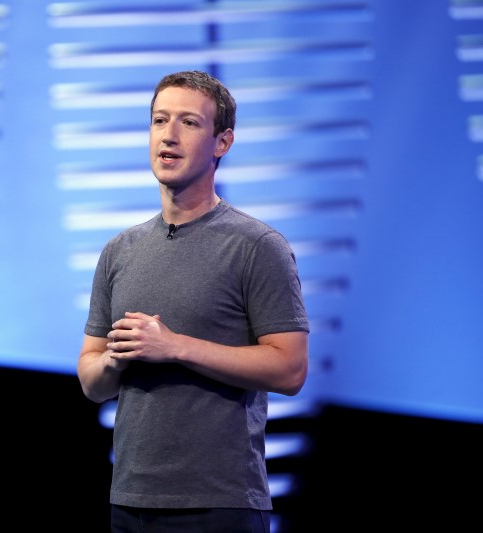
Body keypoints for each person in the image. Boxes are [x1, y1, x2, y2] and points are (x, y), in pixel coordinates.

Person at [76, 70, 310, 533]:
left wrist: (176, 346)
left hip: (220, 504)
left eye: (189, 123)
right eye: (160, 120)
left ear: (222, 142)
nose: (169, 135)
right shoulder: (120, 251)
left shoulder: (257, 245)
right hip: (130, 500)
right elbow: (91, 380)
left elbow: (290, 370)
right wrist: (115, 361)